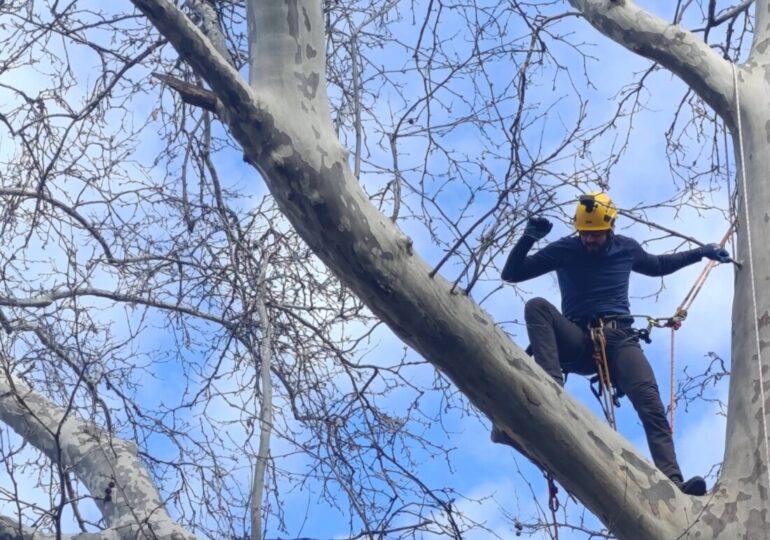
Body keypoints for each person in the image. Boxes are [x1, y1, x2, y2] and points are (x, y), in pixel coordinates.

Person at [495, 192, 731, 496]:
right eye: (585, 234)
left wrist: (702, 252)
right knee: (537, 306)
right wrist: (528, 238)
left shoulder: (626, 249)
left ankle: (673, 482)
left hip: (621, 340)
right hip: (579, 339)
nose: (589, 240)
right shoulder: (565, 249)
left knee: (651, 405)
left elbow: (658, 264)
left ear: (610, 228)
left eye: (596, 234)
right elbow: (512, 274)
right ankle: (549, 386)